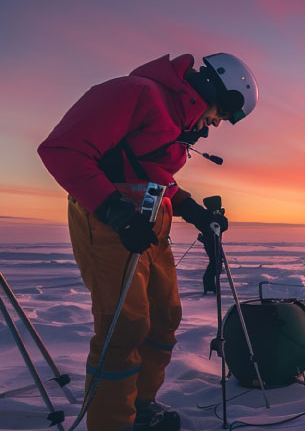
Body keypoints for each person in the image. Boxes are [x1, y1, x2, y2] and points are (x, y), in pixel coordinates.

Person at [38, 53, 258, 430]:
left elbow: (152, 173)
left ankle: (140, 405)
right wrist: (114, 211)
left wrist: (194, 212)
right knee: (124, 328)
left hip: (152, 223)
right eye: (222, 112)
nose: (218, 122)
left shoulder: (175, 121)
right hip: (110, 225)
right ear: (212, 89)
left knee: (164, 318)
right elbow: (62, 149)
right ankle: (112, 422)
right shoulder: (134, 93)